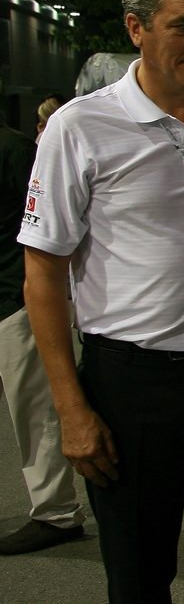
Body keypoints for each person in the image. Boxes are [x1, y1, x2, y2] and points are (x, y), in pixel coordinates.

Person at [19, 0, 184, 600]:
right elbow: (42, 273)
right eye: (183, 26)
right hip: (131, 382)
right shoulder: (81, 126)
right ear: (136, 27)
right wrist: (72, 407)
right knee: (138, 574)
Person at [0, 100, 86, 556]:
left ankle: (56, 513)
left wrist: (29, 293)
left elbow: (41, 231)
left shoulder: (15, 151)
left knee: (35, 413)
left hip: (13, 300)